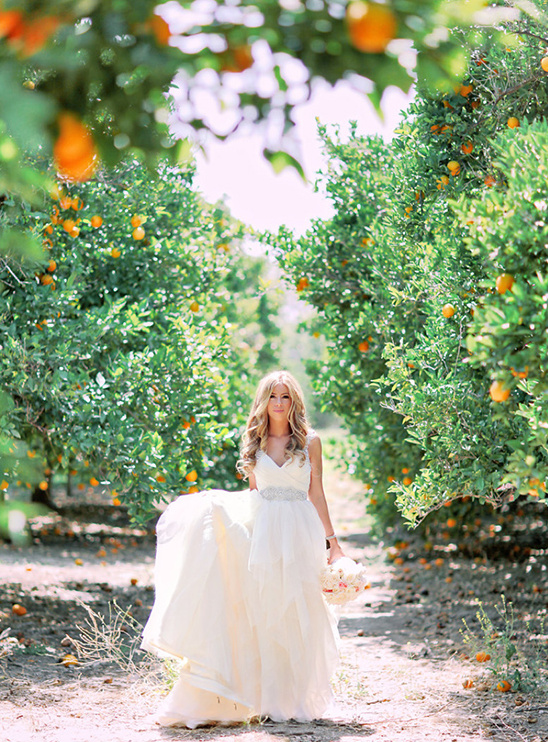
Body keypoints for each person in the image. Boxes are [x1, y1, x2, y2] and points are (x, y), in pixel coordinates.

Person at [141, 370, 345, 728]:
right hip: (264, 530)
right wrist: (227, 525)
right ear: (264, 401)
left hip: (299, 529)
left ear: (294, 401)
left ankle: (293, 699)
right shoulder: (253, 441)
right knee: (262, 612)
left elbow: (317, 493)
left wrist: (333, 544)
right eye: (273, 396)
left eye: (285, 397)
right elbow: (254, 495)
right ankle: (262, 698)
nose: (279, 404)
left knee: (298, 612)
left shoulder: (309, 441)